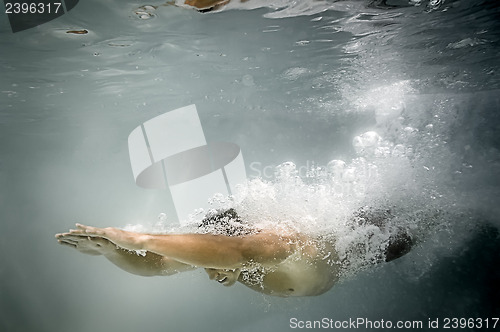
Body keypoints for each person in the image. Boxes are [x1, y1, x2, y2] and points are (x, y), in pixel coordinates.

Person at [55, 208, 412, 297]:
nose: (209, 274)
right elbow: (153, 268)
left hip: (363, 244)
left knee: (411, 228)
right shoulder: (209, 254)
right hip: (331, 275)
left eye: (209, 260)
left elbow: (242, 251)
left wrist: (142, 239)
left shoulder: (277, 240)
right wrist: (109, 252)